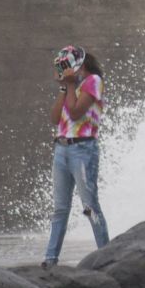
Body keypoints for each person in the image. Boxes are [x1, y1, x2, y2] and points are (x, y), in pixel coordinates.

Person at [45, 45, 110, 265]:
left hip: (83, 149)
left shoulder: (93, 82)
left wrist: (71, 85)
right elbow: (55, 118)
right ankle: (51, 257)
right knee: (60, 209)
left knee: (90, 206)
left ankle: (107, 255)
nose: (64, 71)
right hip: (61, 148)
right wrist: (64, 88)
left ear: (79, 64)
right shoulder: (70, 87)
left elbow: (75, 112)